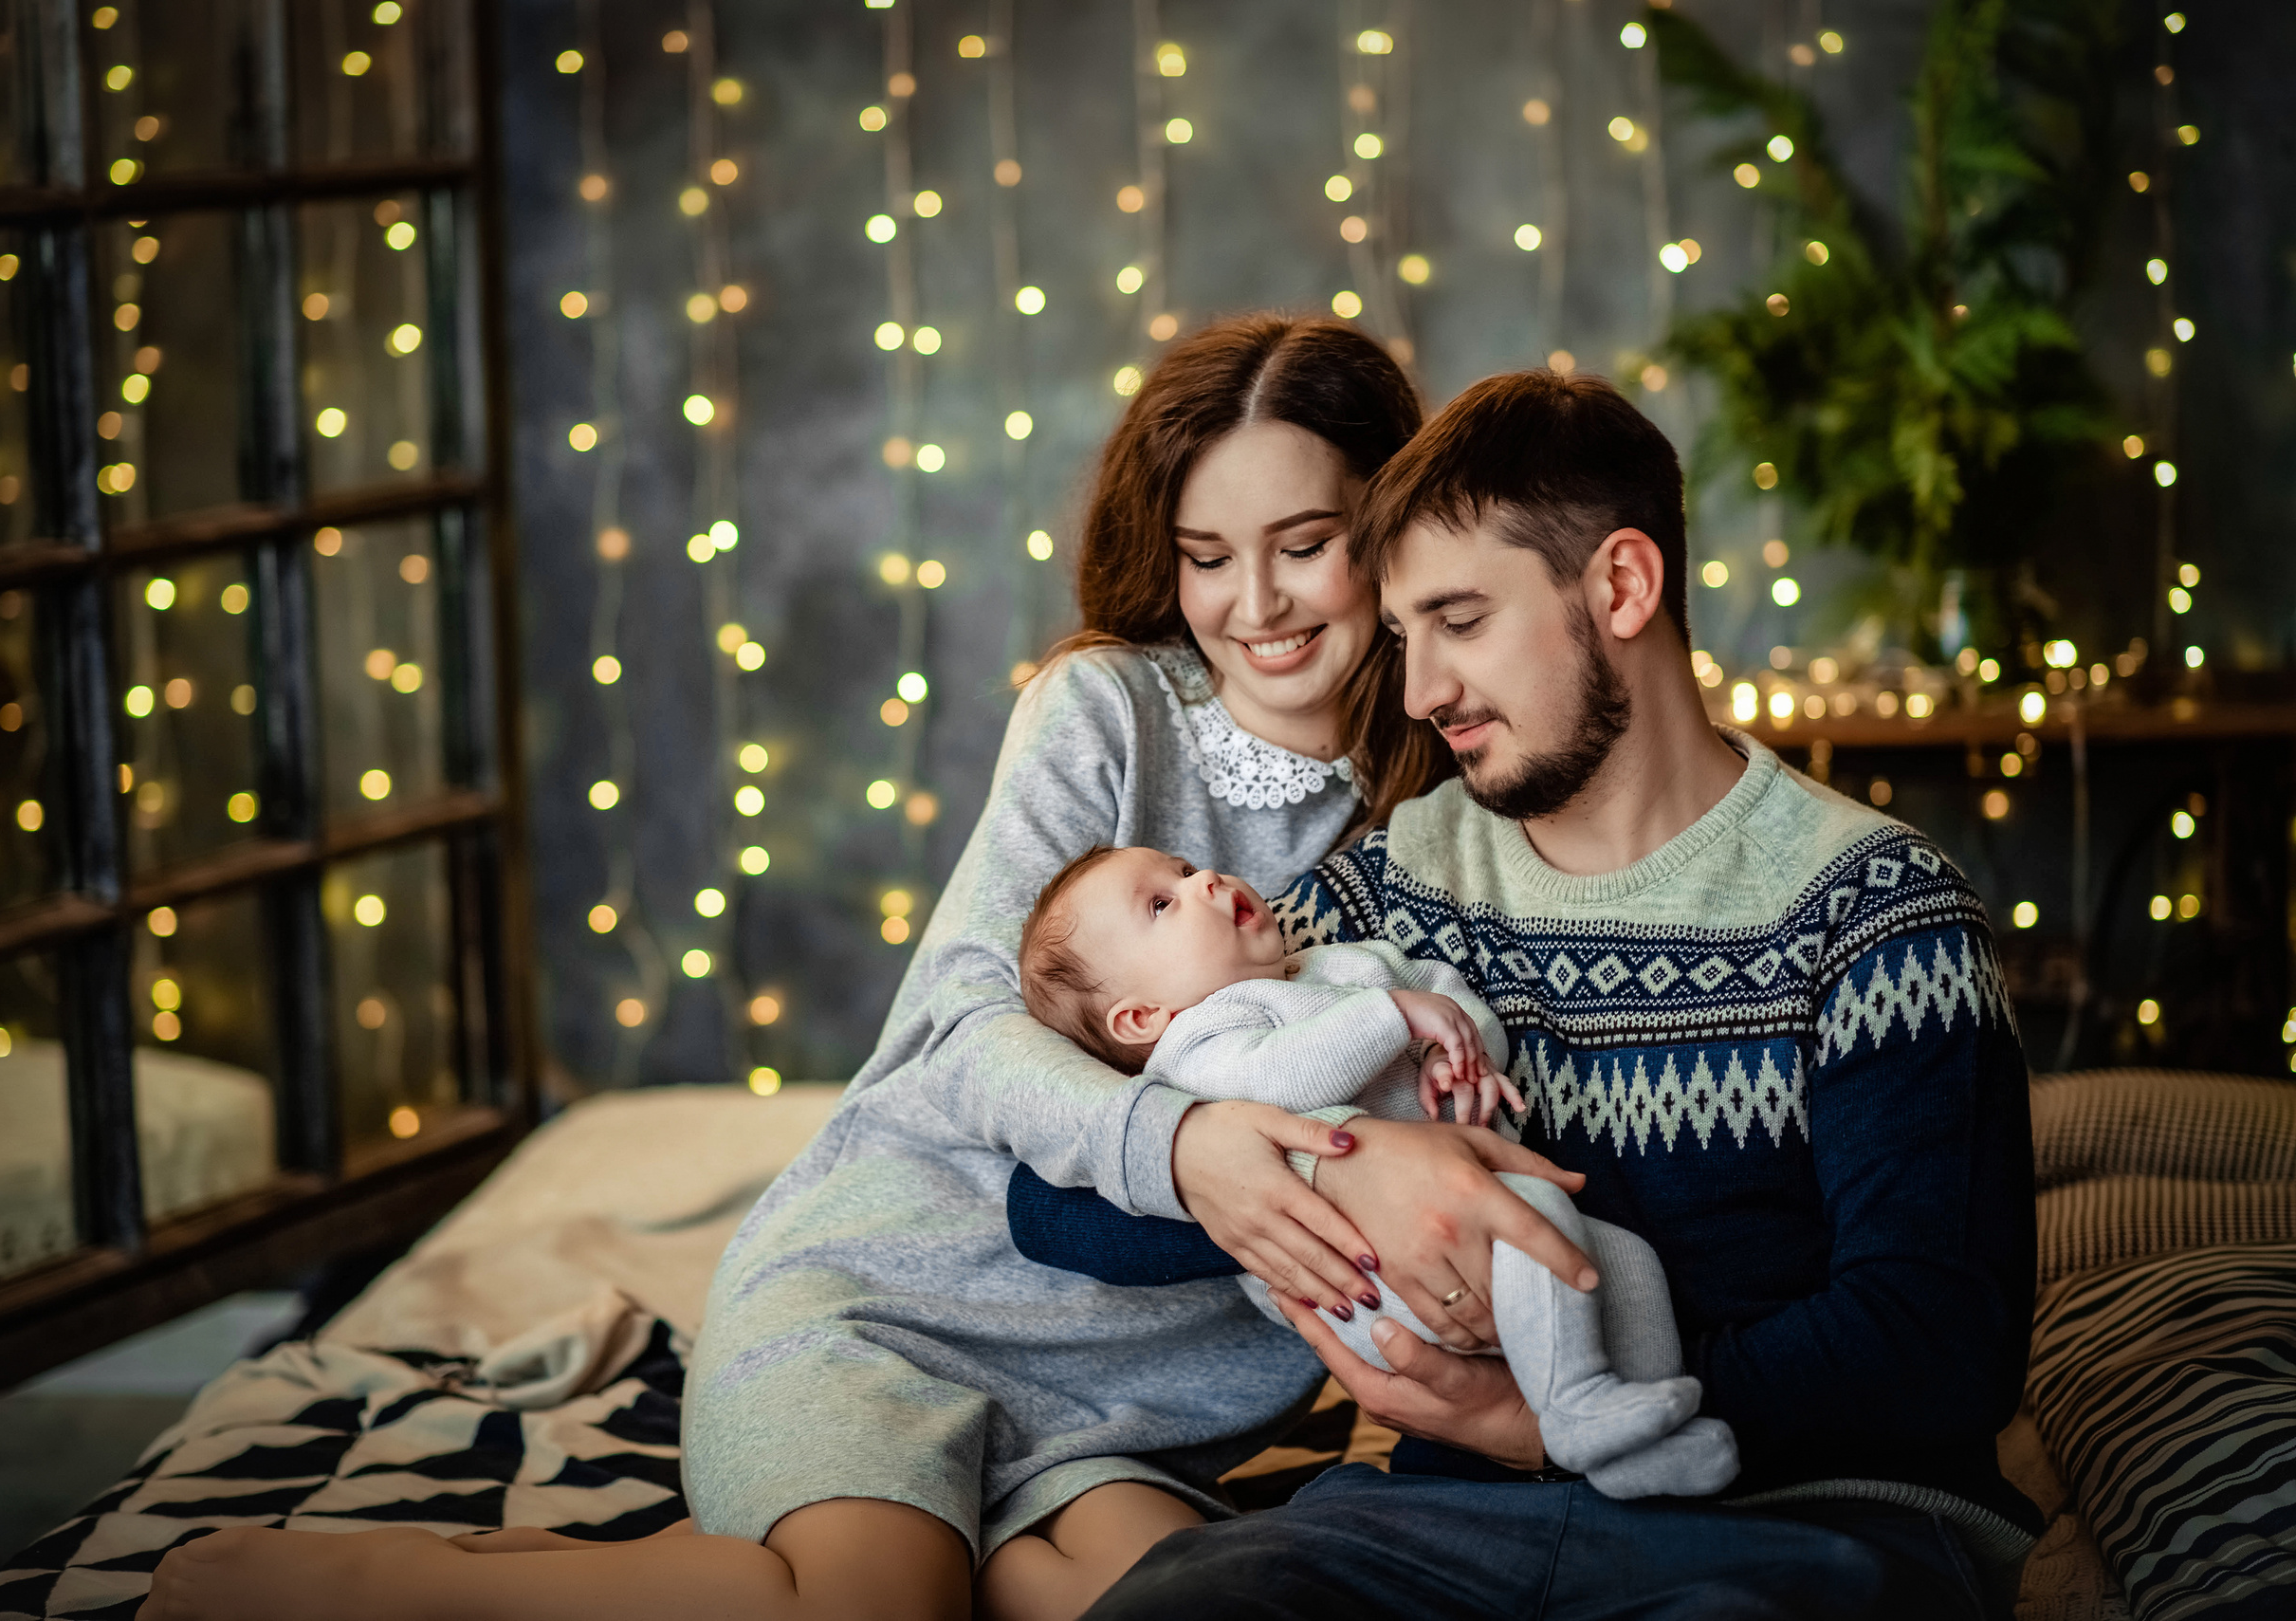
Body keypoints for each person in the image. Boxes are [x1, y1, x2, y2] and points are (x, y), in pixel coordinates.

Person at [136, 317, 1596, 1621]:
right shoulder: (1105, 711)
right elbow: (965, 1029)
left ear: (1391, 527)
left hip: (1143, 1401)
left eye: (1305, 542)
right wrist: (1186, 1141)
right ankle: (378, 1583)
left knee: (1189, 1605)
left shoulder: (1449, 786)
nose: (1255, 602)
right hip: (889, 1302)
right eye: (1208, 556)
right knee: (873, 1603)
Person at [1013, 370, 2040, 1621]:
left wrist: (1548, 1417)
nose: (1419, 693)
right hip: (1446, 1522)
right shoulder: (1396, 886)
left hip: (1802, 1518)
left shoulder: (1877, 910)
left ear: (1621, 586)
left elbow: (1935, 1341)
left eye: (1460, 620)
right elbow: (1051, 1200)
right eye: (1405, 637)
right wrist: (1334, 1169)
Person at [1018, 840, 1739, 1500]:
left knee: (1627, 1260)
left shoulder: (1343, 962)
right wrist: (1395, 1016)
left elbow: (1447, 1000)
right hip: (1362, 1281)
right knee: (1533, 1221)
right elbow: (1280, 1074)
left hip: (1466, 1209)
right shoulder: (1196, 1046)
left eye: (1183, 869)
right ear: (1141, 1018)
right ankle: (1578, 1404)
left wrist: (1456, 1052)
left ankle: (1644, 1435)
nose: (1203, 877)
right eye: (1161, 903)